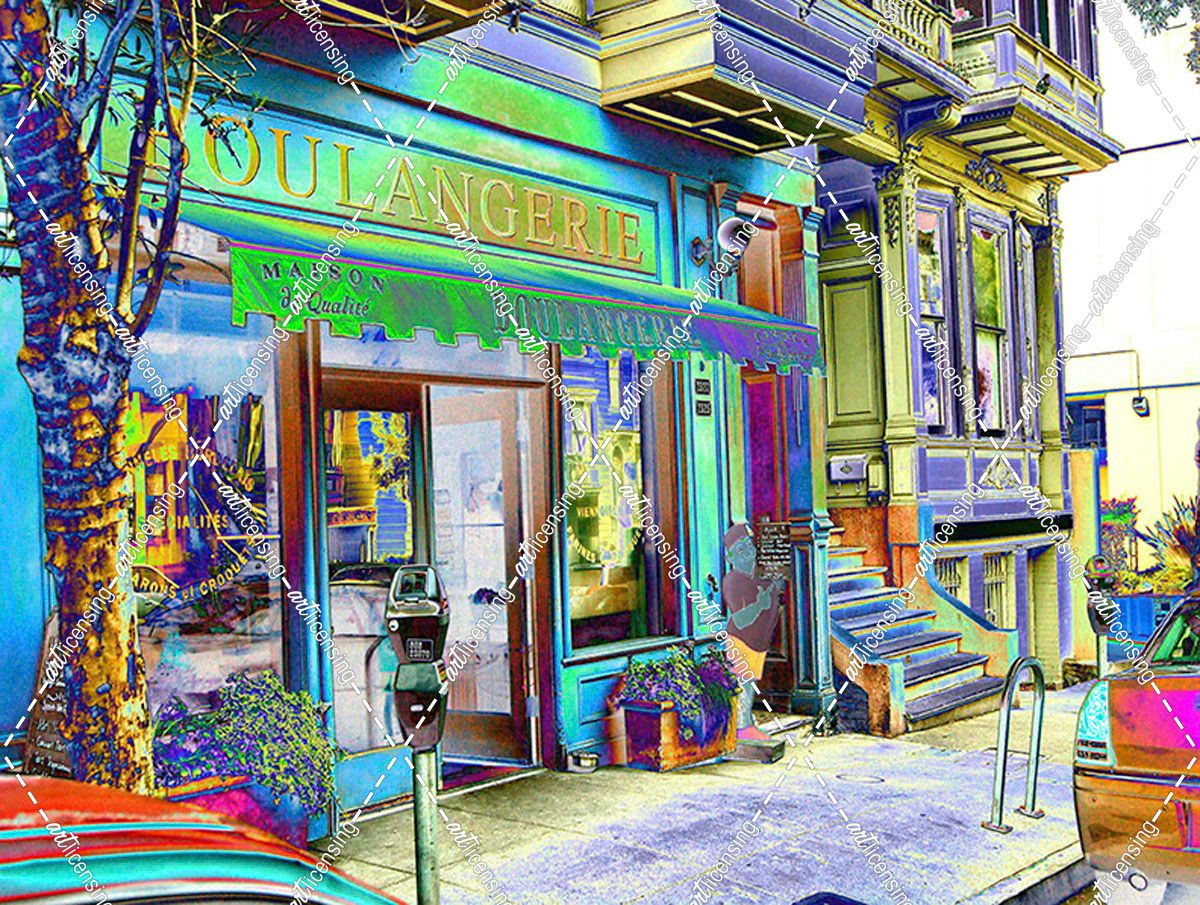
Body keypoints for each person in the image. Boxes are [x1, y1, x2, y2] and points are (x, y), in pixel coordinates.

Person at [720, 523, 783, 742]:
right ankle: (742, 727)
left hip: (757, 642)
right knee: (743, 683)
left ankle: (746, 721)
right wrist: (759, 605)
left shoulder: (755, 577)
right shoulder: (733, 581)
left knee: (749, 682)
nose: (747, 551)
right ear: (730, 557)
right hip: (742, 641)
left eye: (748, 545)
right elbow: (739, 619)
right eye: (740, 549)